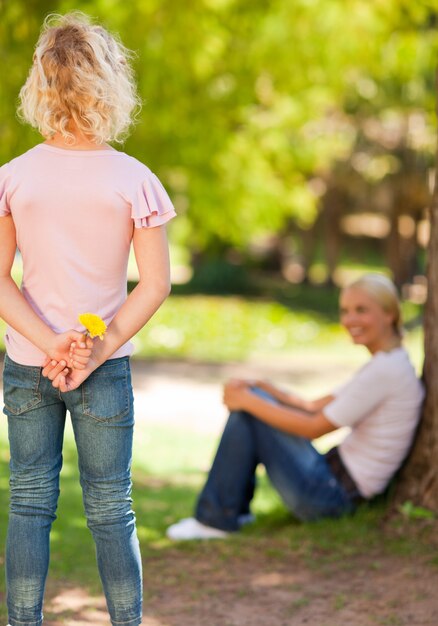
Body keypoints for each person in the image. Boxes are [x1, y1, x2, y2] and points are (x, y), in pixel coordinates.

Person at [0, 12, 176, 626]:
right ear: (109, 84)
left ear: (40, 87)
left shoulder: (13, 178)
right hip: (103, 369)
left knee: (28, 504)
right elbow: (154, 284)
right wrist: (95, 349)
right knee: (111, 509)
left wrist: (50, 343)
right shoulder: (135, 179)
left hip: (28, 364)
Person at [167, 274, 424, 540]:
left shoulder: (386, 370)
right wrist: (262, 388)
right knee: (252, 404)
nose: (350, 320)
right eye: (345, 311)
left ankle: (216, 518)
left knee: (250, 412)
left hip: (331, 498)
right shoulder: (389, 362)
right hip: (330, 480)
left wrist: (247, 400)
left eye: (362, 310)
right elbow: (312, 406)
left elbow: (313, 427)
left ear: (390, 314)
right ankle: (225, 514)